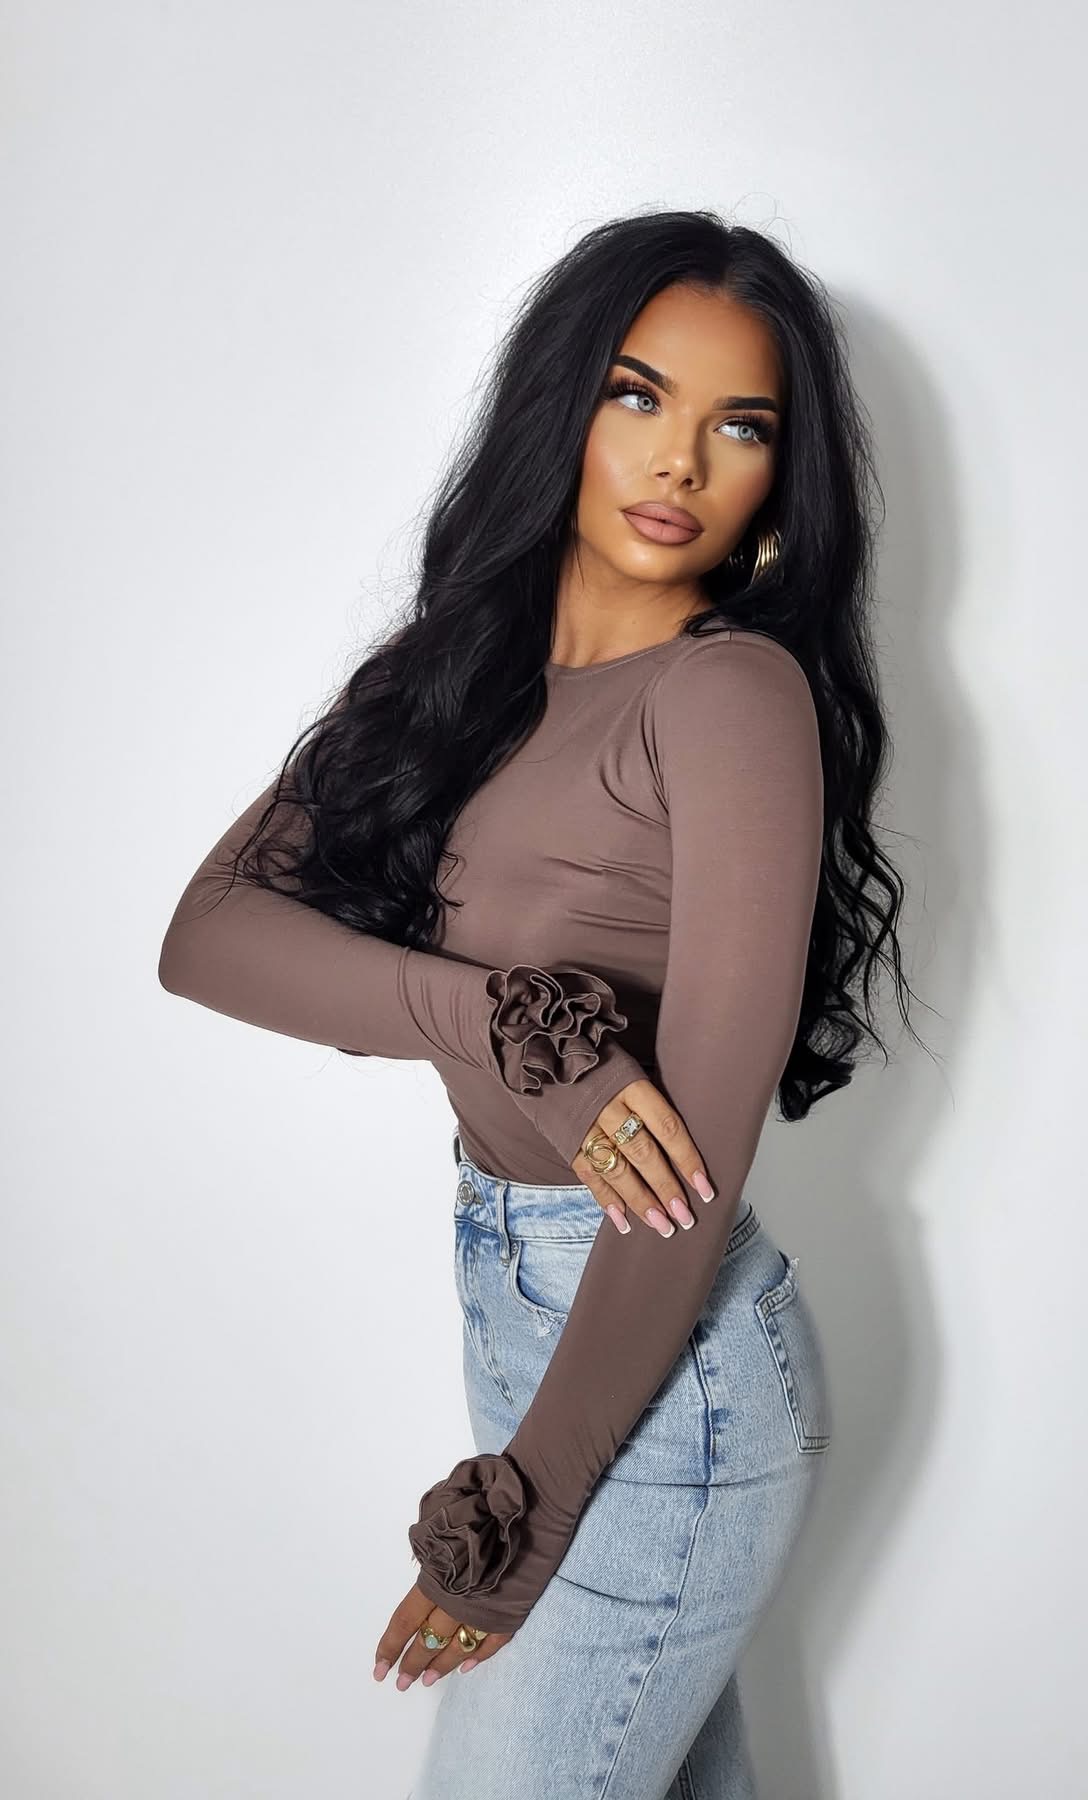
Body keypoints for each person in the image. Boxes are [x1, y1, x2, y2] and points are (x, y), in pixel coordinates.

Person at [157, 208, 922, 1799]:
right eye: (638, 395)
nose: (679, 460)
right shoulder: (455, 679)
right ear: (559, 406)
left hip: (664, 1361)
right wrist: (510, 1024)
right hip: (523, 1310)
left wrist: (525, 1515)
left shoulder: (728, 696)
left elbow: (685, 1182)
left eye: (741, 426)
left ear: (780, 480)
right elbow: (209, 938)